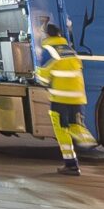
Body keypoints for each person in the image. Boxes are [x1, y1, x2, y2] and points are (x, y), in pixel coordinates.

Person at [35, 18, 86, 175]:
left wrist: (37, 73)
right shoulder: (69, 49)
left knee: (62, 131)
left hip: (60, 99)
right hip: (77, 98)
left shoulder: (49, 50)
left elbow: (43, 79)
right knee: (74, 127)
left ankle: (71, 164)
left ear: (47, 35)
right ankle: (86, 143)